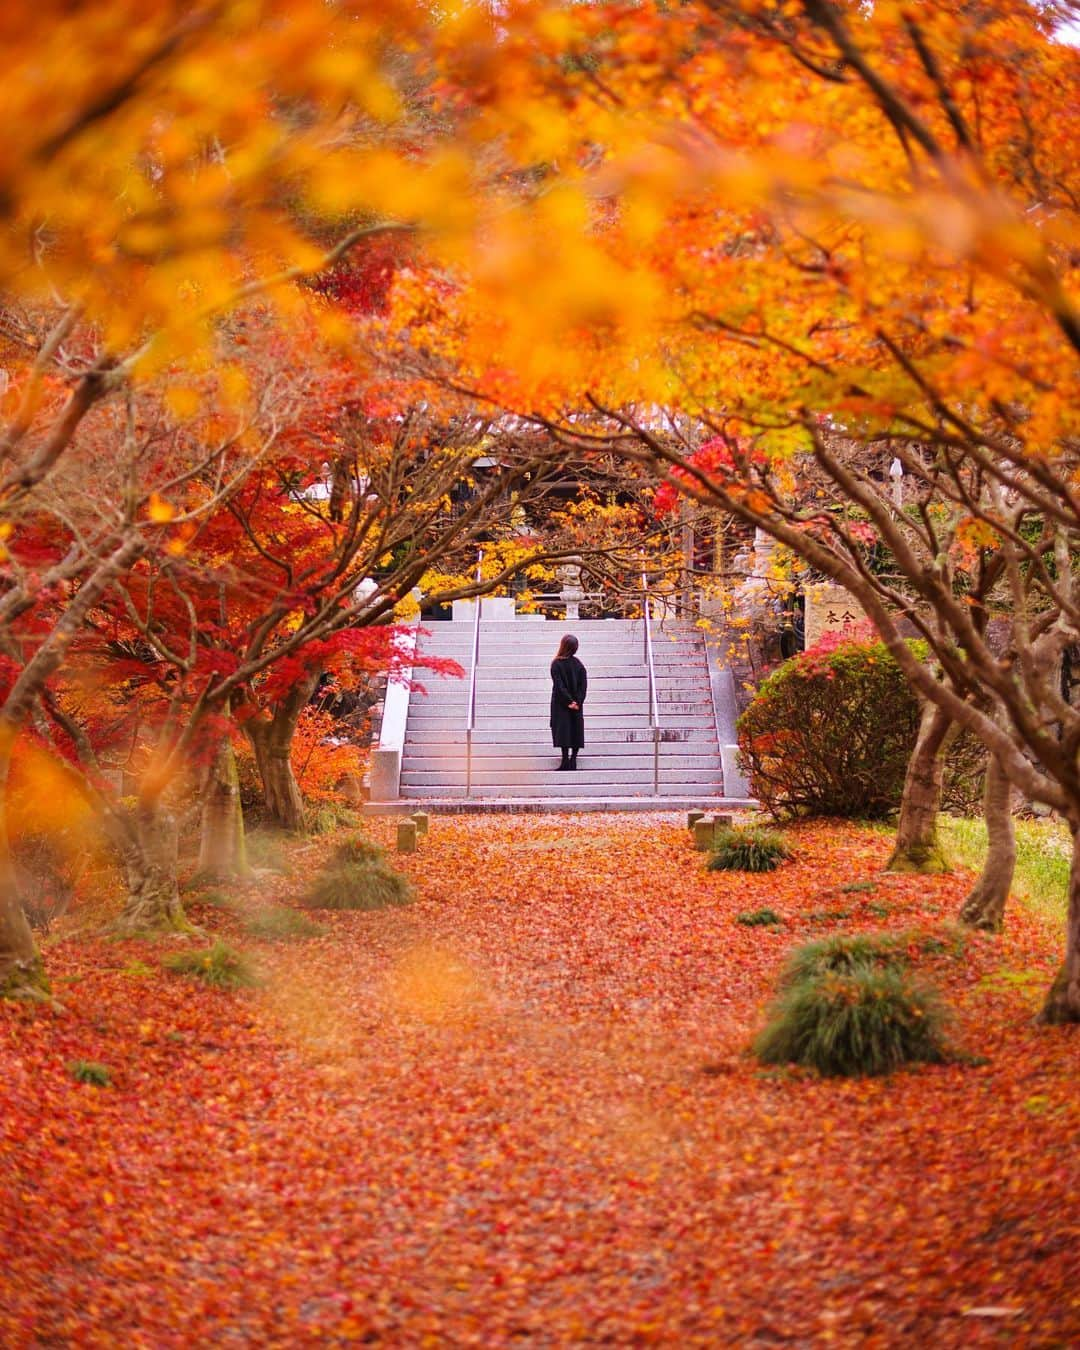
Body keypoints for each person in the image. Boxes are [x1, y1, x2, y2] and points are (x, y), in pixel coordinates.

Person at [550, 634, 587, 770]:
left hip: (561, 704)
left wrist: (568, 701)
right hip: (576, 705)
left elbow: (559, 685)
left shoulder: (556, 664)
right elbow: (583, 686)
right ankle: (573, 760)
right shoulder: (579, 665)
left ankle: (565, 760)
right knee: (575, 729)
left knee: (563, 730)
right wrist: (577, 702)